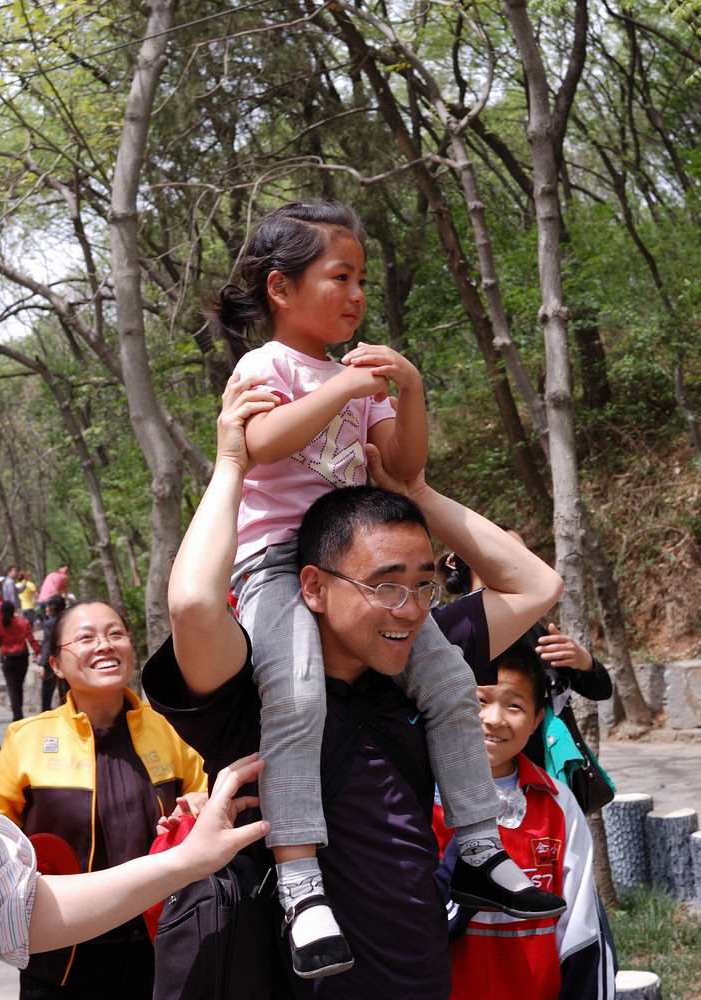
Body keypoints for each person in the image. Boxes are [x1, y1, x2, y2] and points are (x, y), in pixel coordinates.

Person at [209, 201, 564, 978]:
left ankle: (476, 844)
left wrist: (408, 389)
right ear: (280, 288)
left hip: (359, 570)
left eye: (363, 279)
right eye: (340, 277)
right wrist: (341, 390)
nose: (357, 294)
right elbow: (257, 443)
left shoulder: (351, 374)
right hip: (276, 563)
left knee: (444, 678)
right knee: (297, 696)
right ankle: (301, 884)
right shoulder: (264, 368)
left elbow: (399, 468)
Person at [142, 376, 564, 998]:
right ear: (312, 586)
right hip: (286, 978)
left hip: (417, 972)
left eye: (424, 584)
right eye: (385, 584)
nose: (409, 607)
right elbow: (192, 604)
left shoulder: (422, 658)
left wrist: (415, 490)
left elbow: (535, 585)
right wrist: (232, 465)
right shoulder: (251, 685)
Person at [0, 600, 209, 1000]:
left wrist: (199, 808)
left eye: (115, 634)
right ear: (57, 665)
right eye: (86, 638)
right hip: (60, 959)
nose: (105, 645)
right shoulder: (24, 740)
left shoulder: (170, 728)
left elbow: (205, 799)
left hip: (162, 948)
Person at [434, 640, 616, 1000]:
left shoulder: (557, 804)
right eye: (480, 701)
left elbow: (579, 931)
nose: (494, 718)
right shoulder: (420, 799)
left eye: (514, 705)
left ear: (536, 720)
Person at [0, 756, 268, 970]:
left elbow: (19, 908)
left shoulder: (164, 727)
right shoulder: (26, 738)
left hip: (154, 942)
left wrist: (194, 811)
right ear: (60, 681)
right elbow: (18, 909)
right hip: (59, 959)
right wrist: (187, 860)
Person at [437, 547, 613, 808]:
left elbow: (600, 689)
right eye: (509, 550)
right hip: (461, 788)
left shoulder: (535, 629)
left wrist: (584, 662)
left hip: (537, 782)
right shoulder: (448, 627)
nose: (520, 561)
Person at [0, 601, 39, 722]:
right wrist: (38, 652)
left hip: (8, 659)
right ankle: (19, 713)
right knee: (19, 686)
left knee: (12, 687)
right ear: (14, 610)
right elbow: (31, 639)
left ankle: (17, 715)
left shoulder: (1, 624)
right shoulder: (23, 622)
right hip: (22, 657)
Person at [38, 595, 65, 712]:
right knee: (65, 690)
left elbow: (47, 644)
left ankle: (46, 717)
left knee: (47, 693)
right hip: (67, 658)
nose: (46, 608)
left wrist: (42, 664)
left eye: (48, 606)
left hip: (52, 661)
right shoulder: (68, 620)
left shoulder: (50, 623)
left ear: (53, 608)